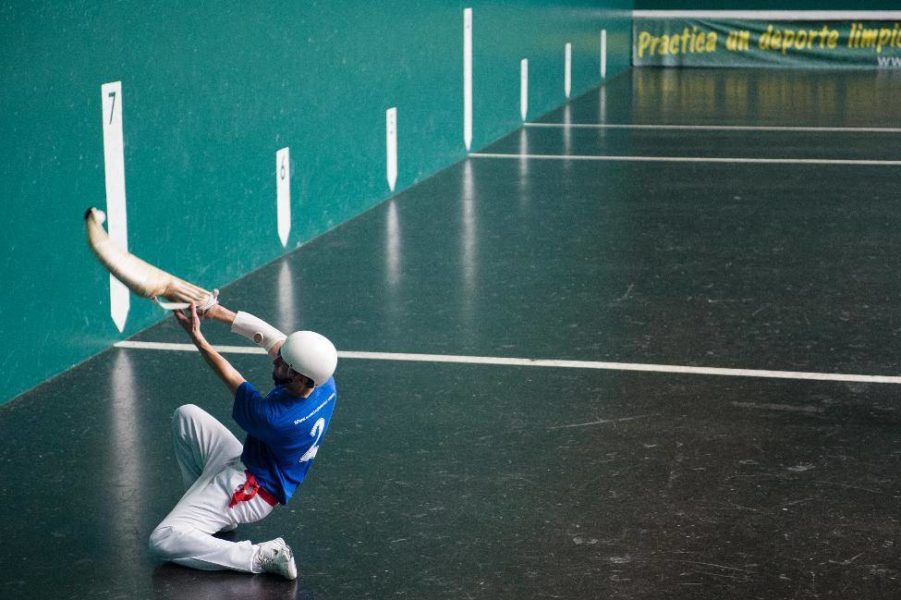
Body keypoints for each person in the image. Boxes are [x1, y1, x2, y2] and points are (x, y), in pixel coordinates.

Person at [147, 301, 338, 580]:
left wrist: (197, 337)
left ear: (298, 377)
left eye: (282, 364)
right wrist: (217, 311)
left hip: (251, 491)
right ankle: (207, 517)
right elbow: (270, 338)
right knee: (187, 416)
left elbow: (229, 375)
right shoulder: (324, 382)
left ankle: (259, 555)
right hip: (248, 459)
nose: (275, 360)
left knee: (163, 538)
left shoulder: (272, 418)